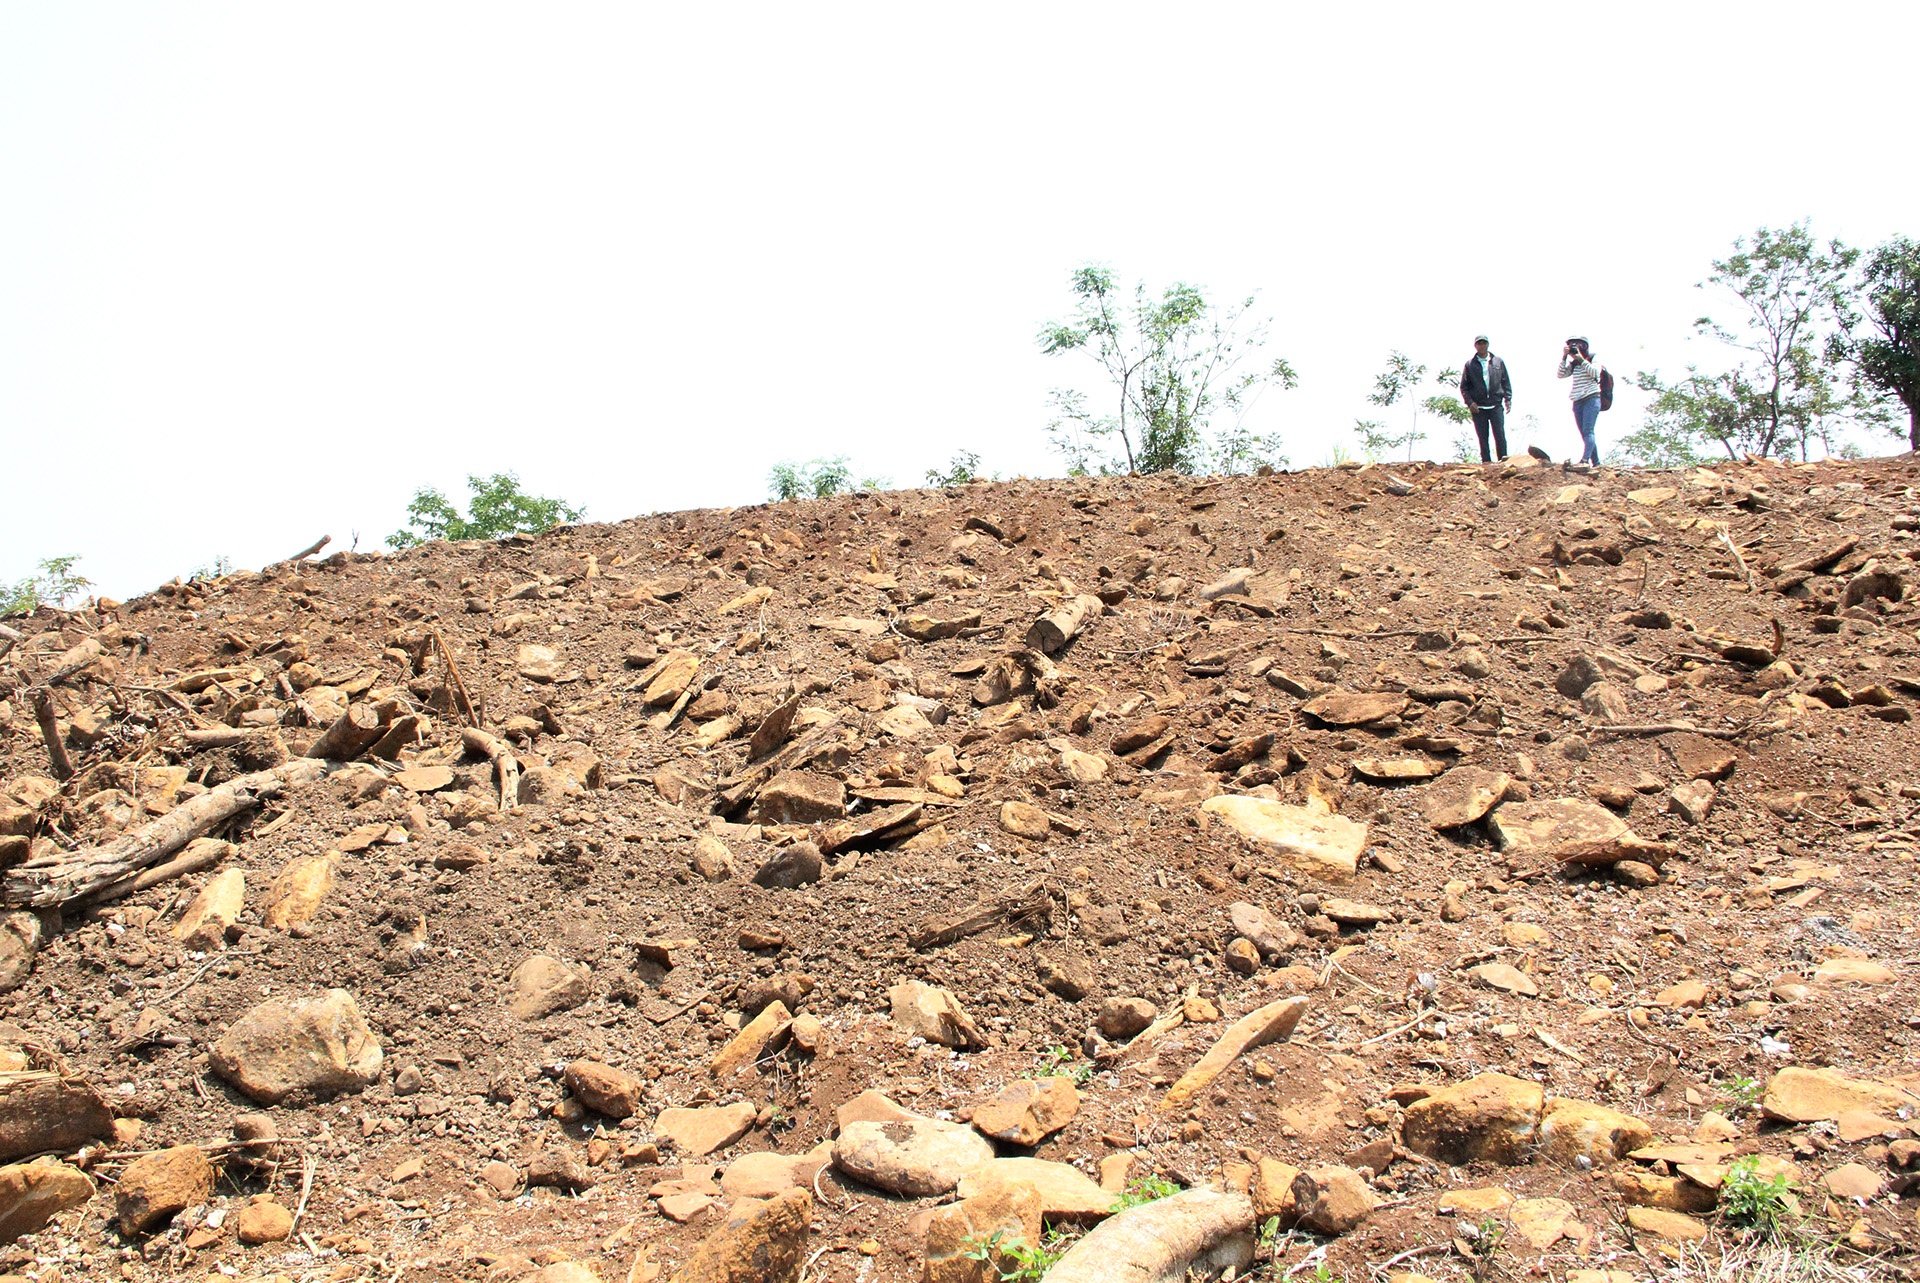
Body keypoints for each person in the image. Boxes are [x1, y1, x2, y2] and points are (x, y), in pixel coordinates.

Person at [1458, 335, 1513, 462]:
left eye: (1484, 343)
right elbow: (1464, 387)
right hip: (1479, 407)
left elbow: (1506, 382)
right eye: (1479, 343)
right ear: (1475, 346)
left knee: (1499, 434)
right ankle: (1486, 462)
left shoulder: (1498, 362)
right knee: (1483, 437)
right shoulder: (1470, 365)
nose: (1482, 346)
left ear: (1488, 344)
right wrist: (1470, 403)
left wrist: (1508, 399)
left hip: (1496, 404)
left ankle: (1503, 461)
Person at [1557, 336, 1603, 466]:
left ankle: (1585, 460)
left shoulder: (1593, 358)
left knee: (1588, 430)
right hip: (1577, 400)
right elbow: (1560, 375)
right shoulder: (1573, 364)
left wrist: (1581, 359)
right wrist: (1564, 357)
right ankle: (1597, 462)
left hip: (1591, 397)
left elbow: (1595, 373)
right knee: (1584, 432)